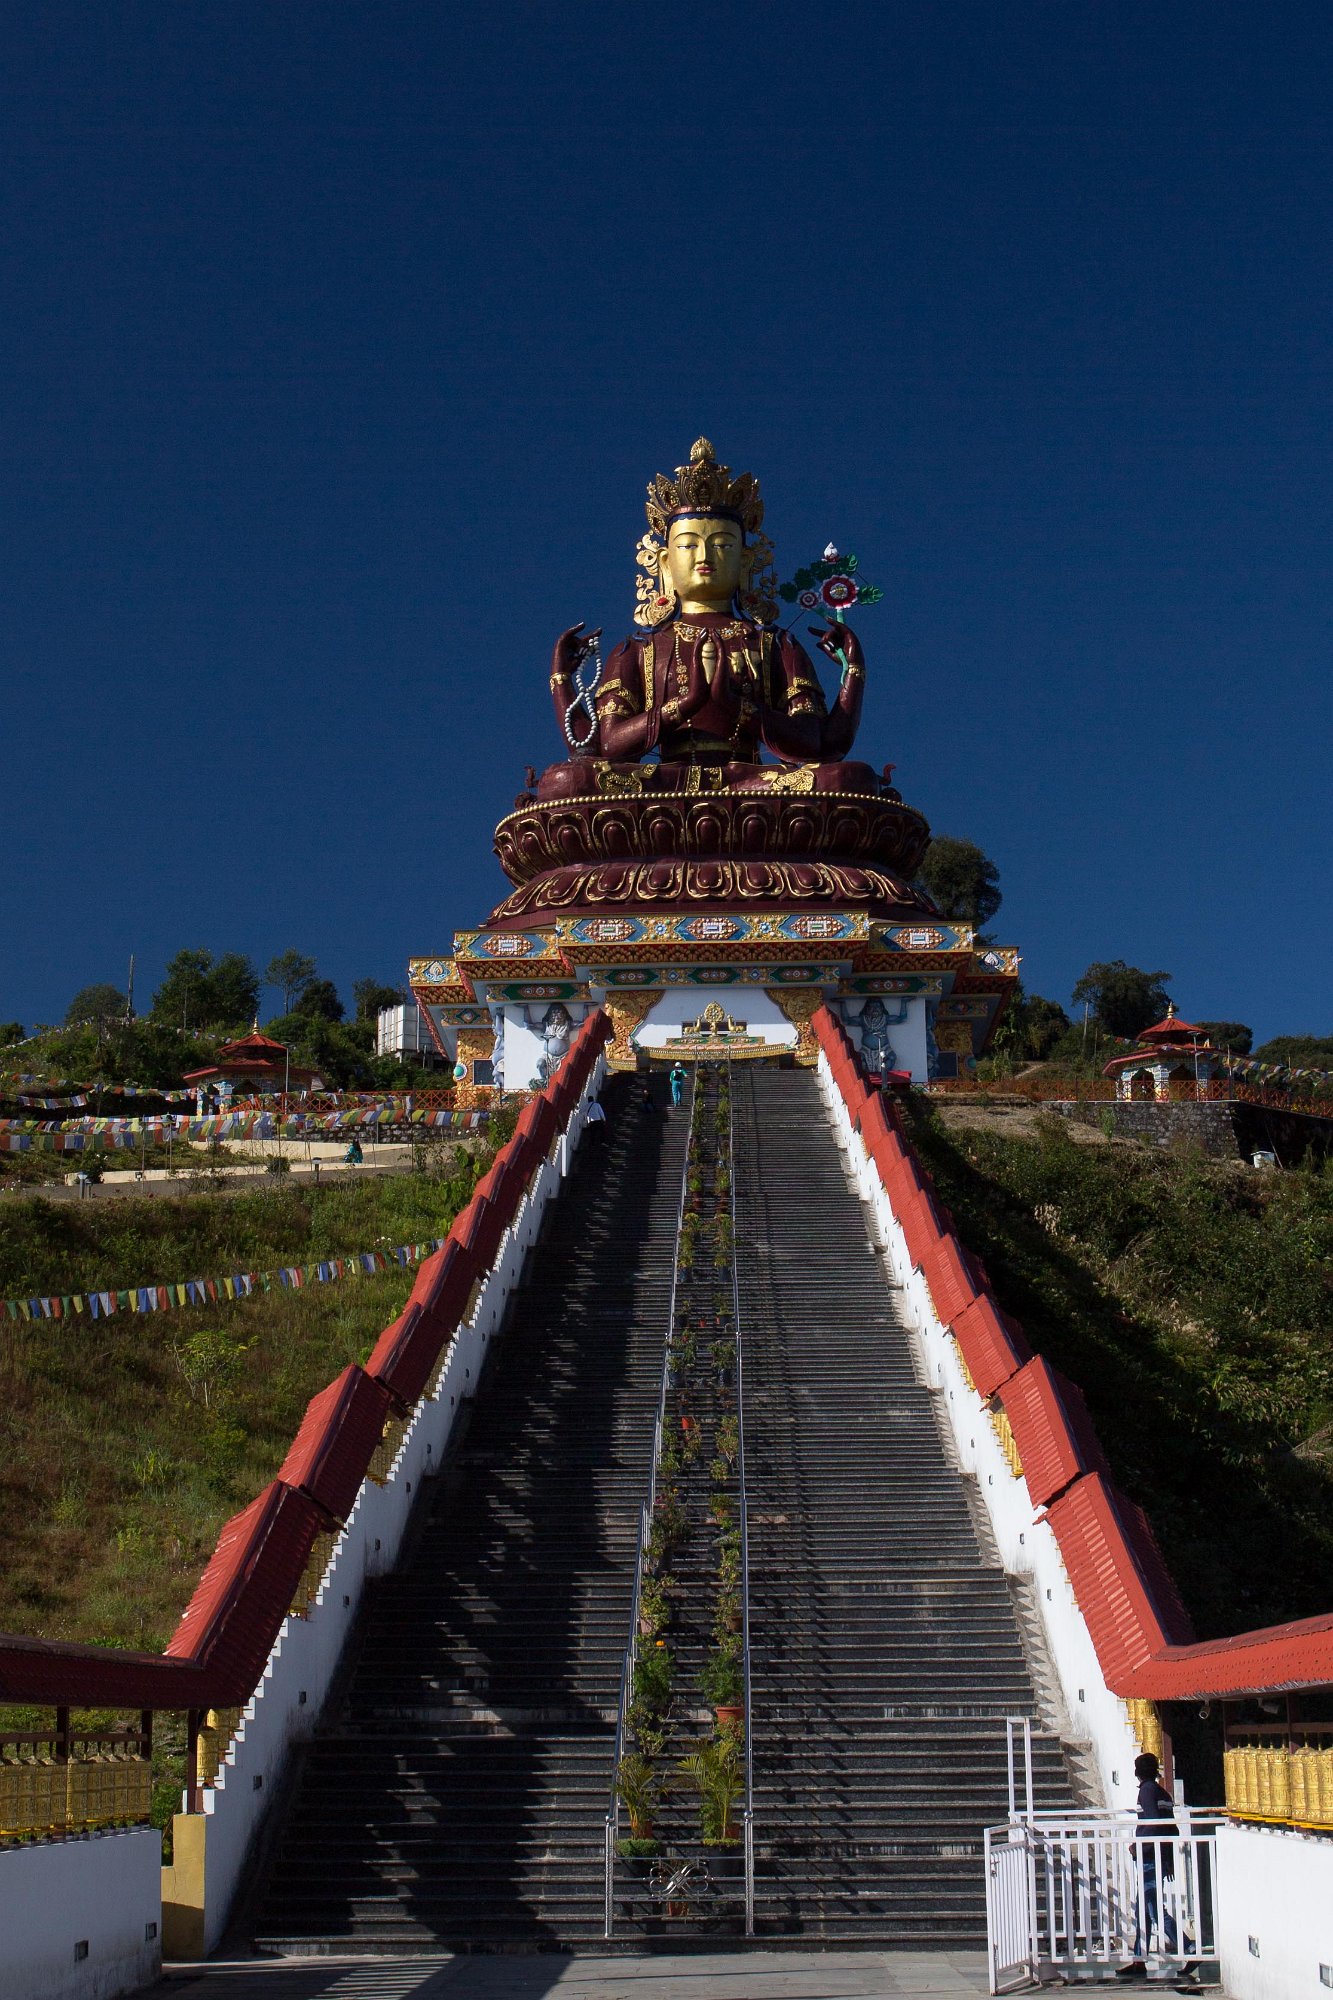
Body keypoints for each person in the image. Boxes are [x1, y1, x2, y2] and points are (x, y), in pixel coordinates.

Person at [1119, 1752, 1181, 1973]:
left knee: (1154, 1910)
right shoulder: (1162, 1792)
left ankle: (1188, 1947)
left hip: (1149, 1858)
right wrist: (1169, 1859)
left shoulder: (1146, 1791)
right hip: (1159, 1856)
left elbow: (1154, 1824)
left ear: (1139, 1772)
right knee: (1144, 1910)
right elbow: (1171, 1828)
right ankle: (1139, 1959)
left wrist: (1138, 1846)